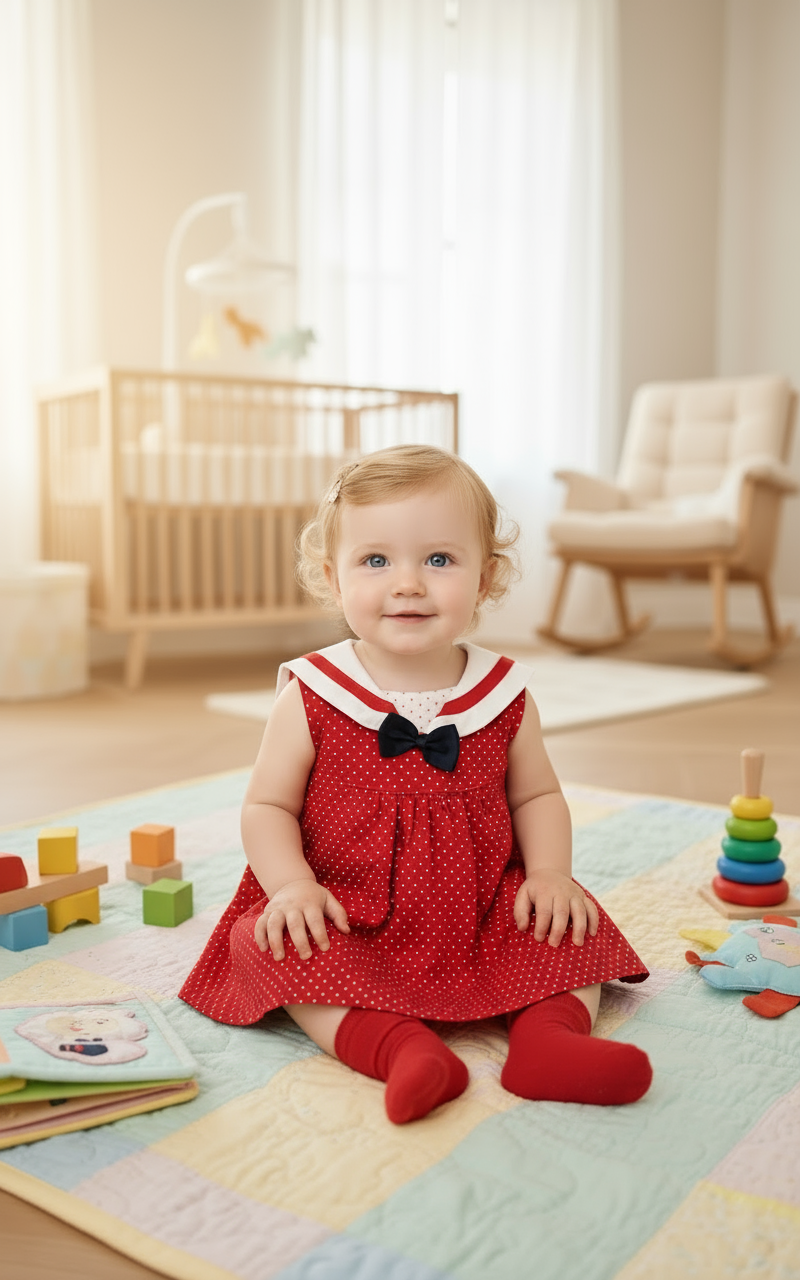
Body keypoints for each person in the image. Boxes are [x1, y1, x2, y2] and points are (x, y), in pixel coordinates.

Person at [180, 445, 651, 1123]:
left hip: (483, 906)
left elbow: (537, 795)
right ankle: (401, 1051)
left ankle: (547, 1044)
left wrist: (550, 873)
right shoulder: (313, 693)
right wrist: (293, 887)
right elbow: (266, 805)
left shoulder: (504, 693)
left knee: (569, 923)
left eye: (438, 559)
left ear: (486, 577)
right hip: (347, 907)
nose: (408, 583)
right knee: (266, 942)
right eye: (376, 560)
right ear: (330, 576)